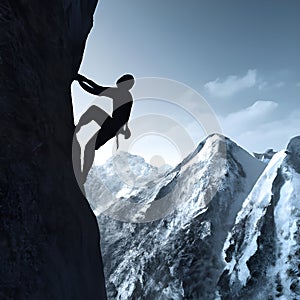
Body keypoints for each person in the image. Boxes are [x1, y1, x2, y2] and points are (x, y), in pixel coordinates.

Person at [74, 73, 135, 185]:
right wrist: (125, 130)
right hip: (114, 126)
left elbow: (96, 90)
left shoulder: (118, 92)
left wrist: (81, 80)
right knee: (90, 146)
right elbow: (126, 117)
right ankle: (83, 175)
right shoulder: (128, 96)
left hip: (111, 125)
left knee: (90, 143)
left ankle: (83, 175)